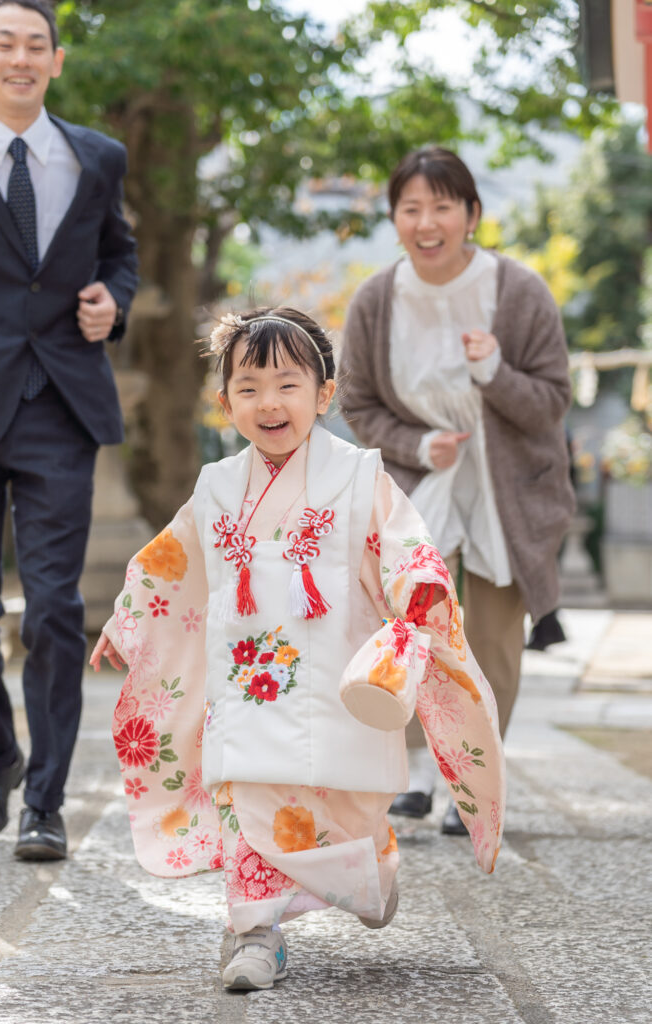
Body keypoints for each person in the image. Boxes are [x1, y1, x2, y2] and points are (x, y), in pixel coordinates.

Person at [90, 307, 505, 991]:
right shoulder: (217, 486)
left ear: (324, 394)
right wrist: (128, 618)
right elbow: (172, 562)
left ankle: (365, 869)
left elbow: (405, 545)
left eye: (287, 383)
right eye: (248, 387)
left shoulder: (358, 474)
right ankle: (254, 934)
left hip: (338, 683)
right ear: (224, 403)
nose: (268, 402)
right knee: (249, 807)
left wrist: (422, 585)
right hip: (243, 687)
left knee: (344, 808)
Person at [339, 147, 575, 835]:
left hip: (509, 490)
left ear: (472, 215)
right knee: (408, 630)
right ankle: (412, 773)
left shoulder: (520, 291)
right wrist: (418, 446)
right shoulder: (377, 299)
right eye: (411, 208)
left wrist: (496, 370)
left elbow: (551, 402)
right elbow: (357, 402)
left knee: (494, 641)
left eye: (443, 206)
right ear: (395, 219)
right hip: (419, 486)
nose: (427, 221)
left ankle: (471, 782)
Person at [0, 0, 138, 860]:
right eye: (6, 43)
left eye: (38, 44)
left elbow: (119, 255)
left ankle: (45, 801)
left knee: (56, 610)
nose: (22, 57)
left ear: (57, 62)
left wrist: (116, 299)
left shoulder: (96, 156)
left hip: (62, 402)